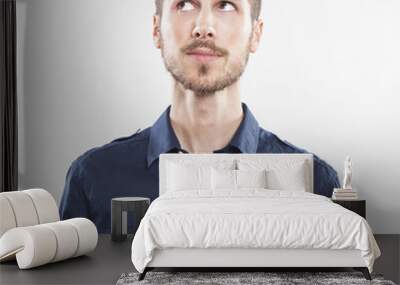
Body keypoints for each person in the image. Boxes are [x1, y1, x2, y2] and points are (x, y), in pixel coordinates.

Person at [59, 0, 340, 233]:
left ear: (255, 33)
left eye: (226, 5)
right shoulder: (93, 177)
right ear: (156, 30)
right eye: (184, 4)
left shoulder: (316, 183)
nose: (203, 28)